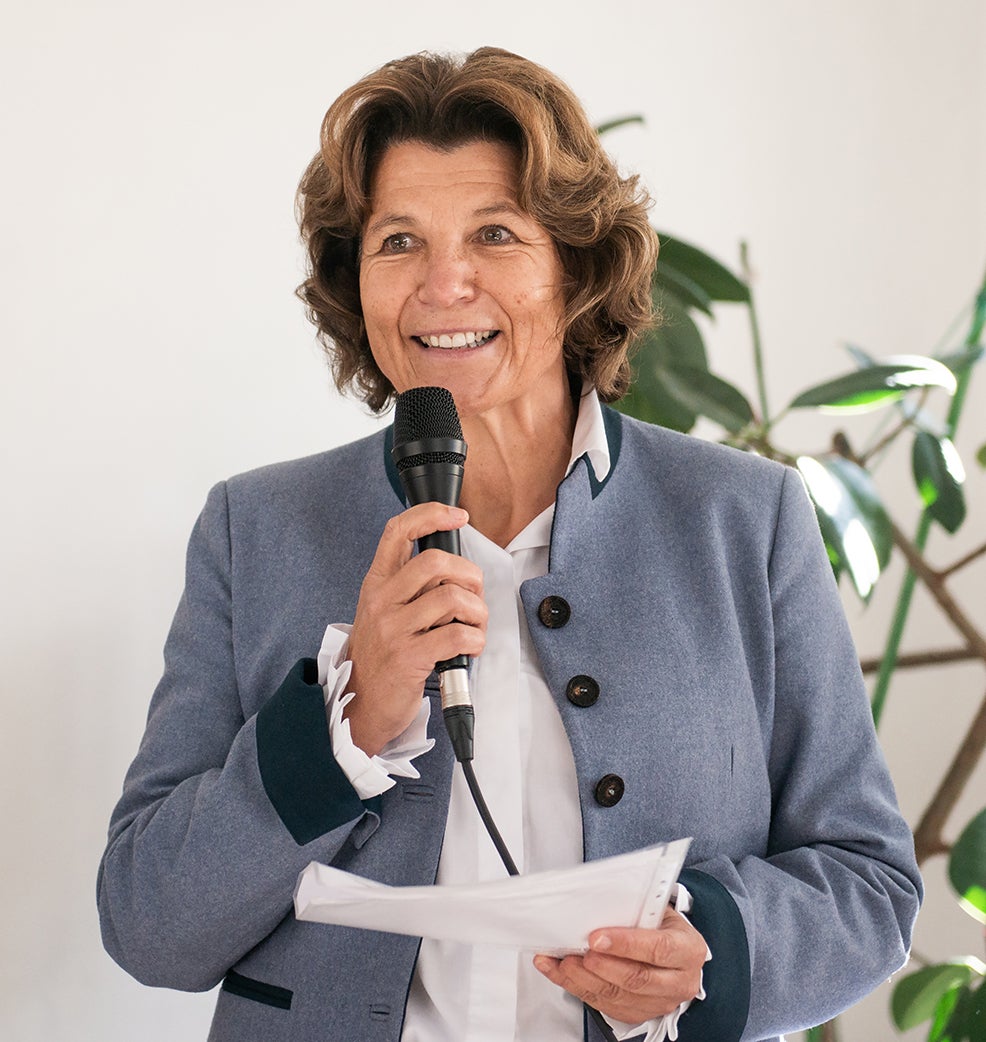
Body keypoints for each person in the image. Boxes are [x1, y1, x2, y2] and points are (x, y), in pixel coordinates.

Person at [97, 47, 922, 1042]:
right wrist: (346, 722)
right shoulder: (255, 529)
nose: (443, 283)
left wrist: (711, 949)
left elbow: (870, 885)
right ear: (355, 283)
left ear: (574, 266)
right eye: (398, 241)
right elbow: (149, 926)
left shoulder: (745, 518)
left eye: (494, 233)